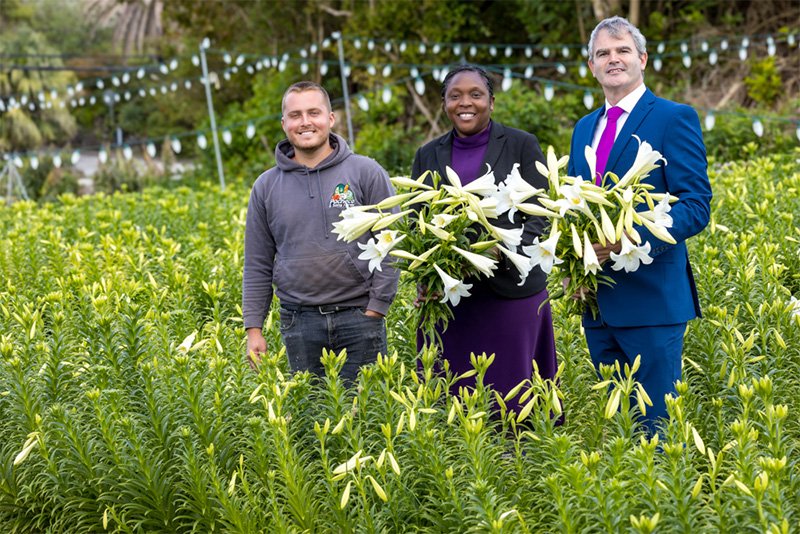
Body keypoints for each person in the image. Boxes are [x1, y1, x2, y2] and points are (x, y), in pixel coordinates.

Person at [567, 16, 712, 435]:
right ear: (591, 66)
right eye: (603, 53)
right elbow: (577, 208)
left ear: (642, 58)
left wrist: (625, 240)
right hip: (597, 302)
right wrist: (576, 263)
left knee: (658, 429)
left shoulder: (673, 117)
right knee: (622, 432)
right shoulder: (583, 129)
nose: (613, 59)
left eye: (623, 50)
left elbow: (696, 206)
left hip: (652, 300)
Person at [411, 64, 558, 415]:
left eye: (476, 94)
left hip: (513, 289)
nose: (466, 103)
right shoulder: (427, 154)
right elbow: (419, 223)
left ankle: (519, 458)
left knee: (516, 391)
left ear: (491, 102)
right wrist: (428, 274)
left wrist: (503, 253)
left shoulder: (522, 144)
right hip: (452, 296)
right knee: (454, 391)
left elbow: (540, 211)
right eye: (455, 95)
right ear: (444, 103)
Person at [243, 81, 399, 382]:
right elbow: (257, 263)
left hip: (359, 316)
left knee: (365, 416)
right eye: (295, 115)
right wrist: (254, 329)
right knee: (311, 414)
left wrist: (377, 307)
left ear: (330, 118)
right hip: (299, 322)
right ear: (284, 123)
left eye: (313, 112)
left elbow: (391, 242)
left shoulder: (365, 172)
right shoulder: (265, 187)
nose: (305, 122)